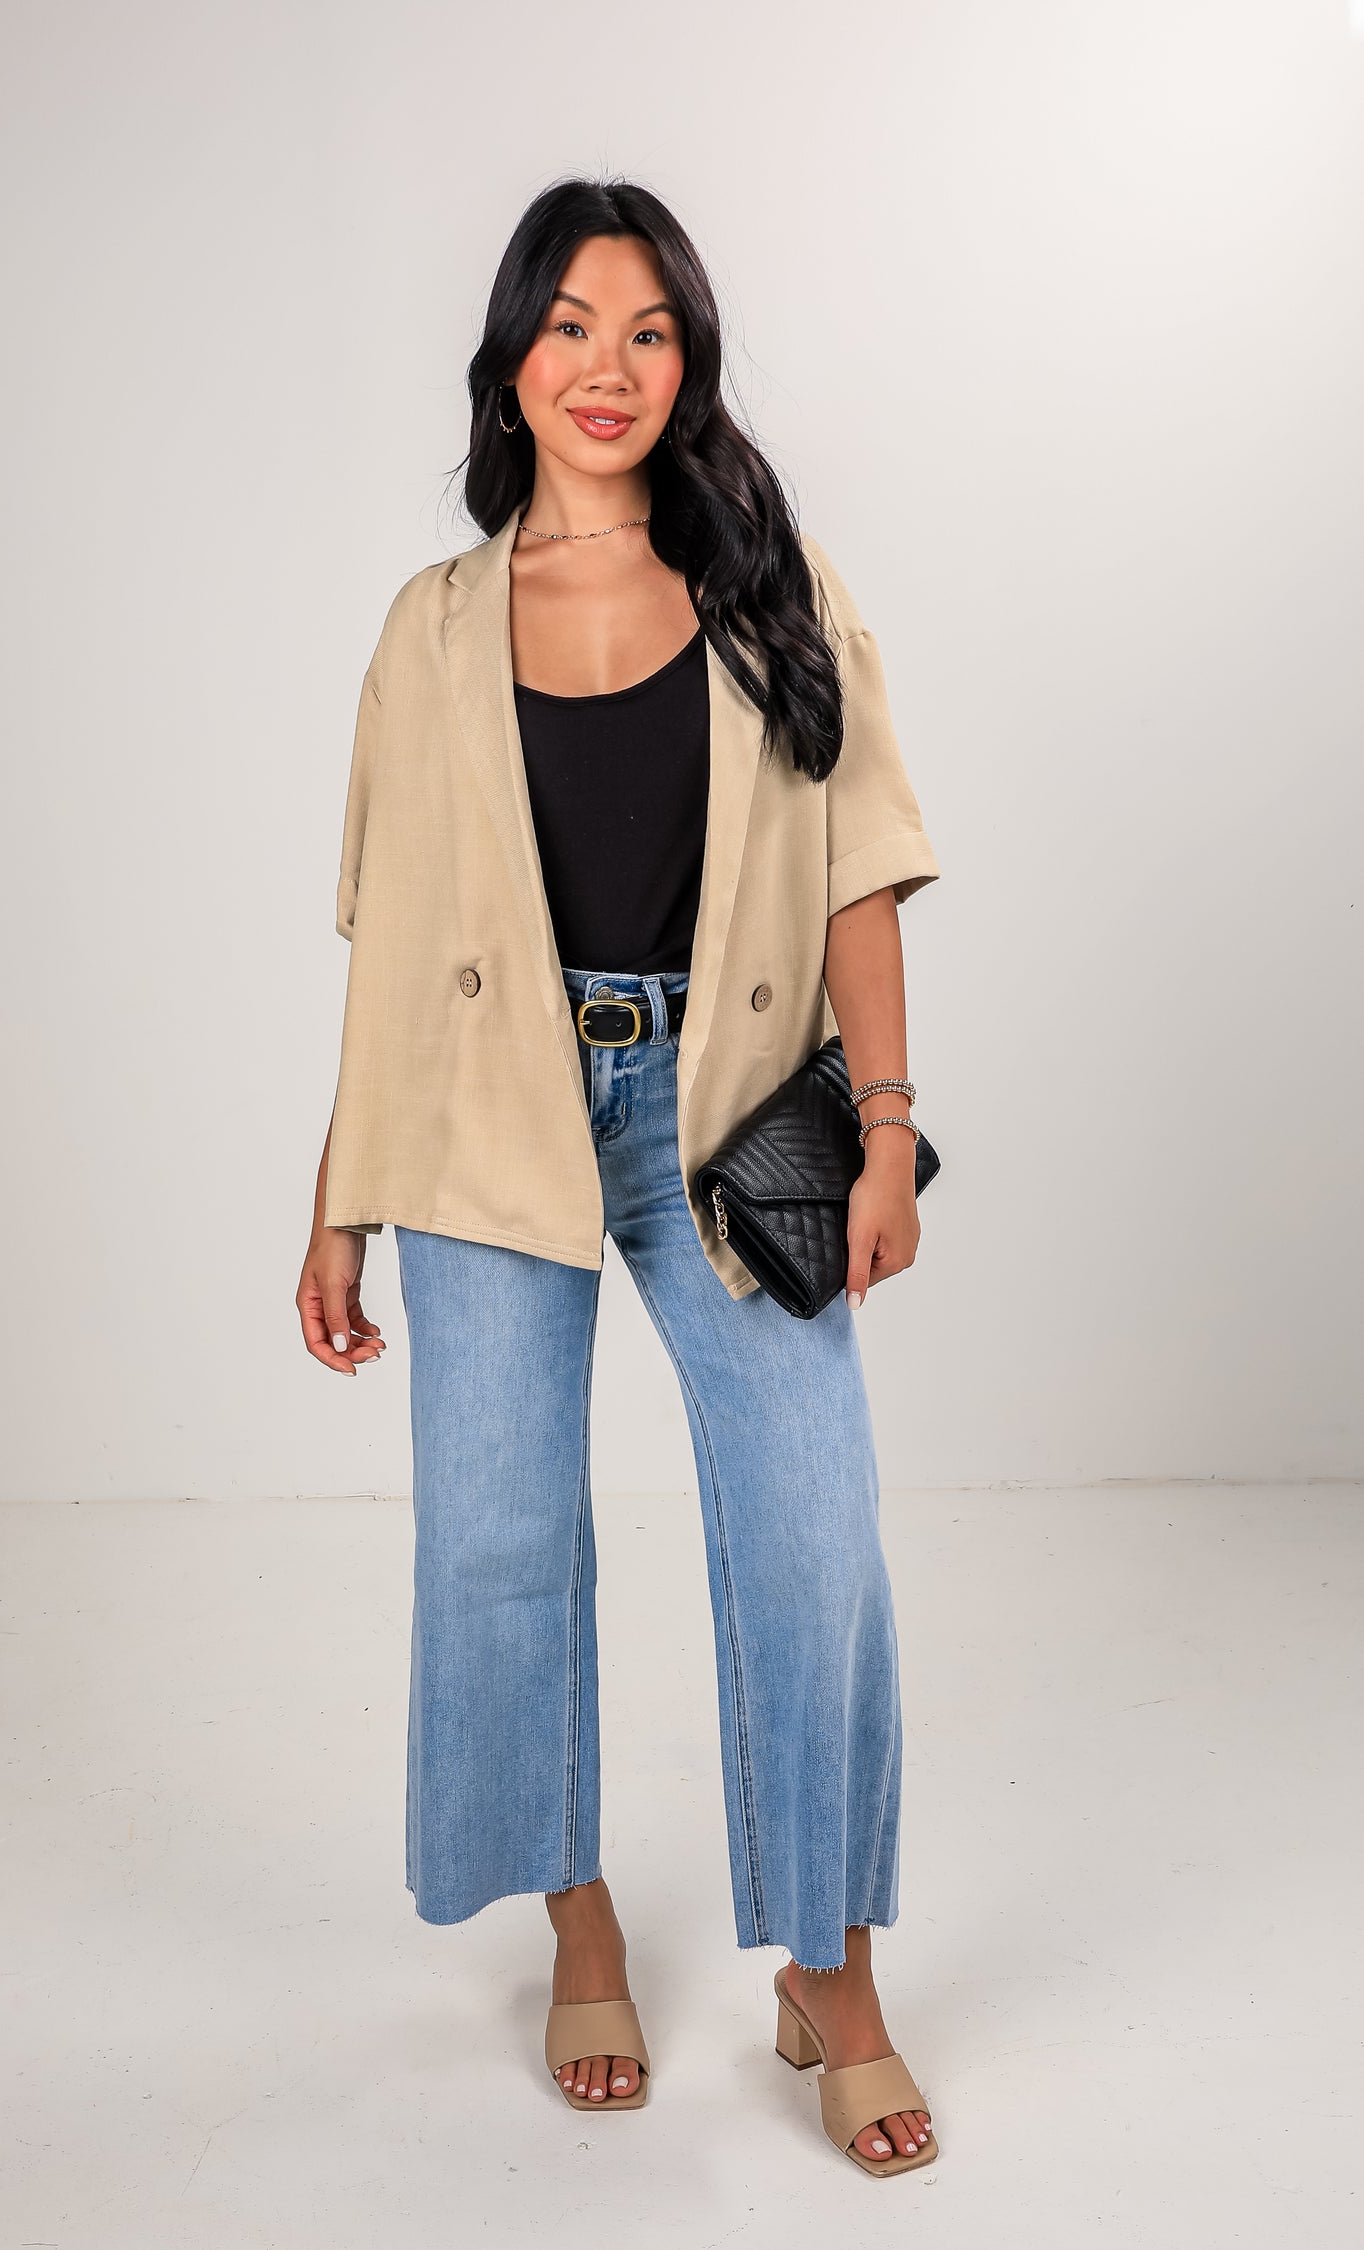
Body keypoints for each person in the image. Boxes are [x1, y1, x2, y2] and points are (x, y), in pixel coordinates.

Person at [296, 177, 943, 2180]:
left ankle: (830, 1973)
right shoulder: (432, 631)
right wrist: (337, 1195)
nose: (608, 365)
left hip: (730, 1118)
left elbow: (854, 864)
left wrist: (894, 1123)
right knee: (497, 1539)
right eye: (571, 326)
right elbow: (393, 939)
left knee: (813, 1538)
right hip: (488, 1115)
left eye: (649, 329)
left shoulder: (777, 586)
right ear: (510, 358)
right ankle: (574, 1910)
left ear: (691, 362)